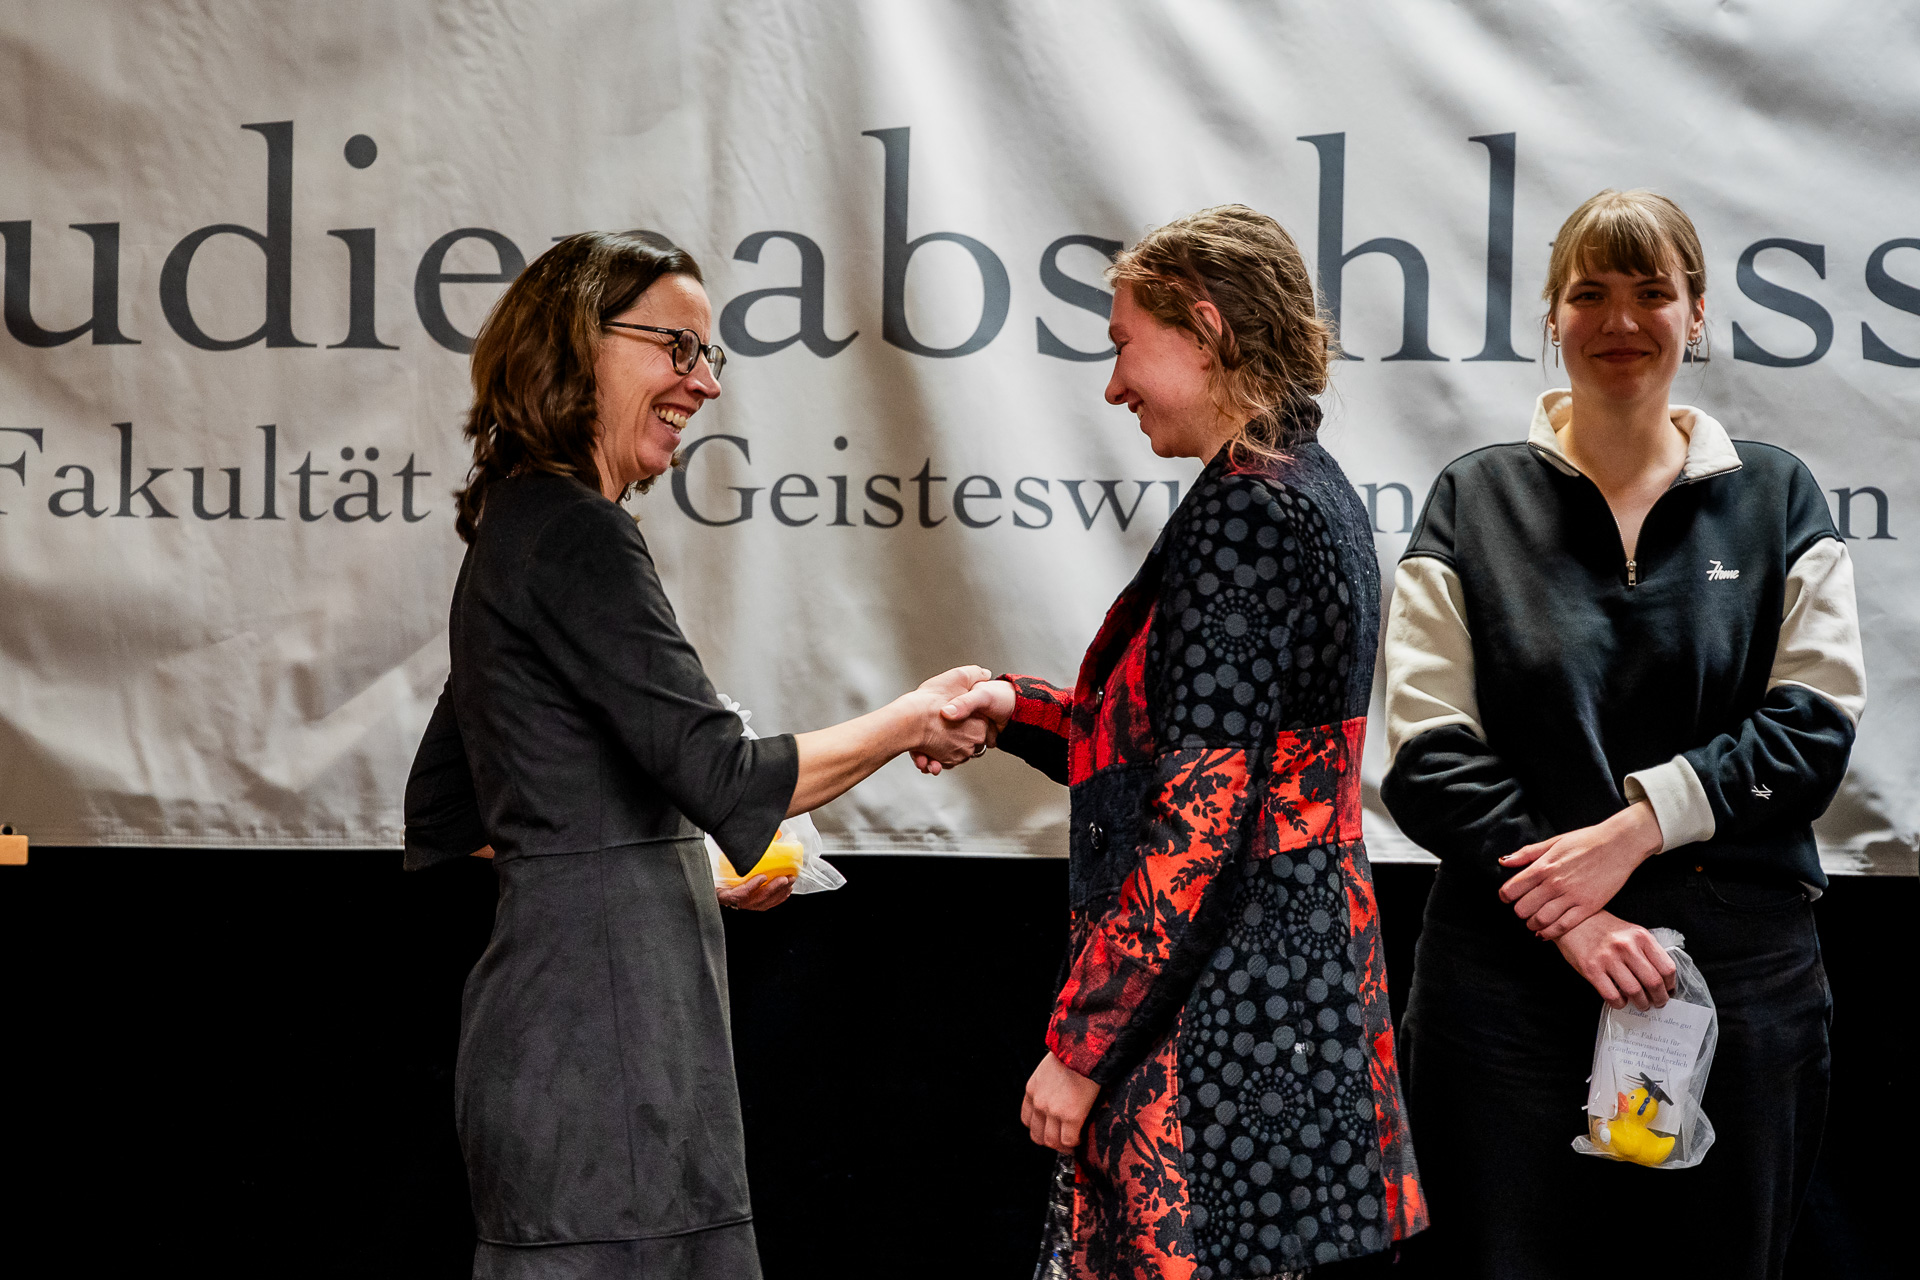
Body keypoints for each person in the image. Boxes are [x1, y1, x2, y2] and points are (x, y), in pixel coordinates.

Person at [401, 230, 989, 1280]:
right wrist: (912, 718)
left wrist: (667, 871)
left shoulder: (517, 525)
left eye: (709, 355)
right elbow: (726, 778)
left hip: (570, 1051)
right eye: (677, 348)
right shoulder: (575, 532)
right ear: (577, 343)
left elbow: (448, 813)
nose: (705, 383)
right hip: (610, 1064)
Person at [1381, 190, 1864, 1279]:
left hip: (1739, 981)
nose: (1621, 321)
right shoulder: (1474, 499)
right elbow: (1425, 752)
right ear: (1552, 316)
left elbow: (1815, 727)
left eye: (1652, 292)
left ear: (1698, 314)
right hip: (1506, 991)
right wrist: (1571, 916)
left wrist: (1634, 830)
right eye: (1589, 293)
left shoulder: (1778, 497)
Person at [940, 206, 1426, 1279]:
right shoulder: (1307, 483)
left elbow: (1201, 821)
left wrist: (1081, 1049)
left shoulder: (1246, 513)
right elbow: (1199, 754)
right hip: (1292, 1007)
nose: (1114, 385)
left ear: (1205, 330)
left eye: (1125, 344)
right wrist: (1013, 708)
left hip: (1227, 1033)